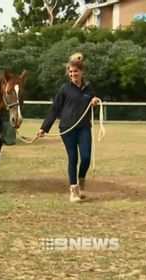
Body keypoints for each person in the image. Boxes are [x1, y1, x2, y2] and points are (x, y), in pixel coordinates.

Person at [37, 52, 100, 203]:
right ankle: (74, 190)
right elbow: (54, 109)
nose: (73, 74)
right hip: (67, 129)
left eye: (75, 71)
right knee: (73, 158)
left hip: (84, 128)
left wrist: (95, 103)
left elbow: (92, 108)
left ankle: (81, 179)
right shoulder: (64, 89)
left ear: (81, 72)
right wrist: (44, 128)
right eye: (70, 72)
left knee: (85, 157)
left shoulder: (88, 89)